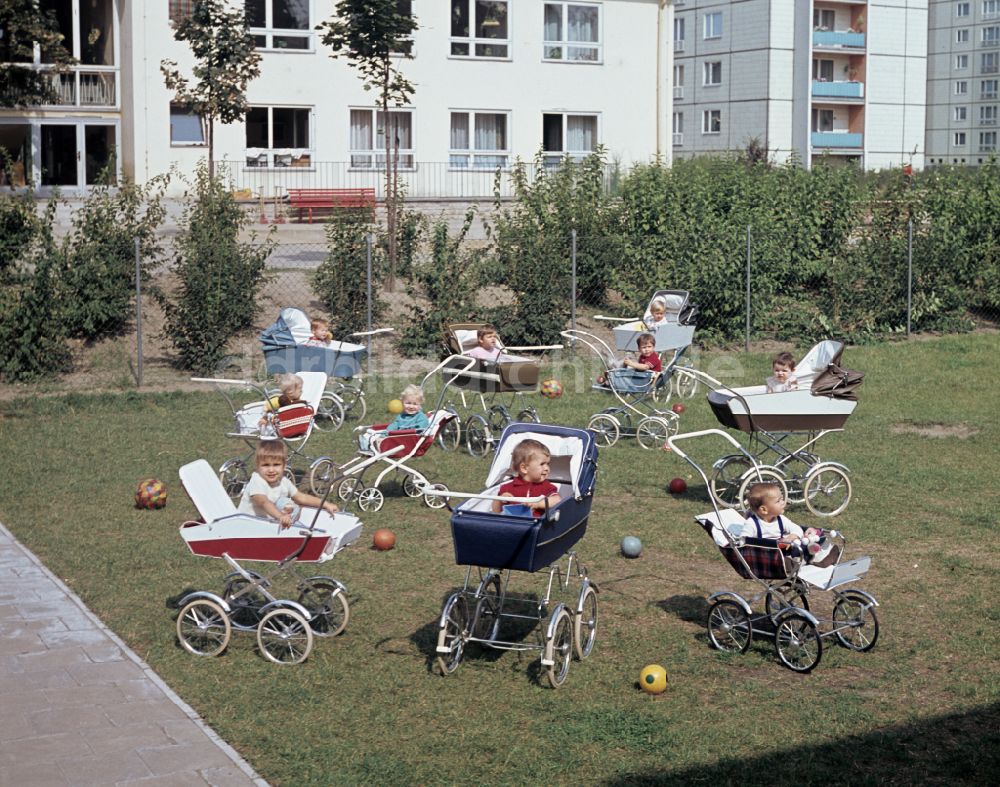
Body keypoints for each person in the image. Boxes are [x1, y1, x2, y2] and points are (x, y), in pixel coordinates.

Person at [238, 440, 337, 528]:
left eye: (276, 465)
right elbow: (264, 502)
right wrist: (280, 516)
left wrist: (325, 504)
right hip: (247, 525)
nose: (271, 470)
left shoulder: (283, 481)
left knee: (290, 505)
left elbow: (301, 497)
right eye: (266, 465)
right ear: (258, 466)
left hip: (268, 524)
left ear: (284, 466)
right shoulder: (257, 480)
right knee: (286, 505)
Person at [492, 438, 561, 517]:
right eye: (542, 464)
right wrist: (499, 500)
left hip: (536, 526)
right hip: (512, 525)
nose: (547, 468)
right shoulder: (507, 488)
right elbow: (496, 511)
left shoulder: (546, 486)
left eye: (548, 464)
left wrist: (538, 504)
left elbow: (557, 500)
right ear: (524, 468)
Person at [359, 384, 430, 452]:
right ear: (402, 403)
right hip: (398, 439)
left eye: (415, 404)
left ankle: (374, 446)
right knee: (373, 433)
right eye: (408, 403)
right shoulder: (402, 416)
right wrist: (384, 434)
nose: (411, 406)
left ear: (420, 404)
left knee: (382, 439)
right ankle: (367, 443)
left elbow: (421, 430)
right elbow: (394, 425)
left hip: (409, 442)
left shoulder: (421, 417)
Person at [729, 481, 804, 542]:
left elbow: (797, 529)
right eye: (778, 501)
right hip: (762, 554)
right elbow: (744, 540)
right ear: (764, 510)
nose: (783, 502)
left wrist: (793, 536)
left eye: (781, 499)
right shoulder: (752, 524)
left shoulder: (781, 519)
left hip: (780, 553)